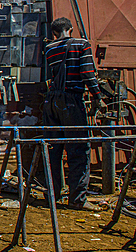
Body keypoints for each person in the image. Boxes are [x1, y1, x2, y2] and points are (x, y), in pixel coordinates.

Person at [43, 17, 102, 212]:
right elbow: (87, 73)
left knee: (53, 150)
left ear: (54, 33)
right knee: (78, 149)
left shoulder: (50, 49)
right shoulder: (81, 44)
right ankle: (77, 198)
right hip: (71, 101)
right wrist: (97, 96)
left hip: (51, 102)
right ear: (70, 29)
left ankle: (53, 194)